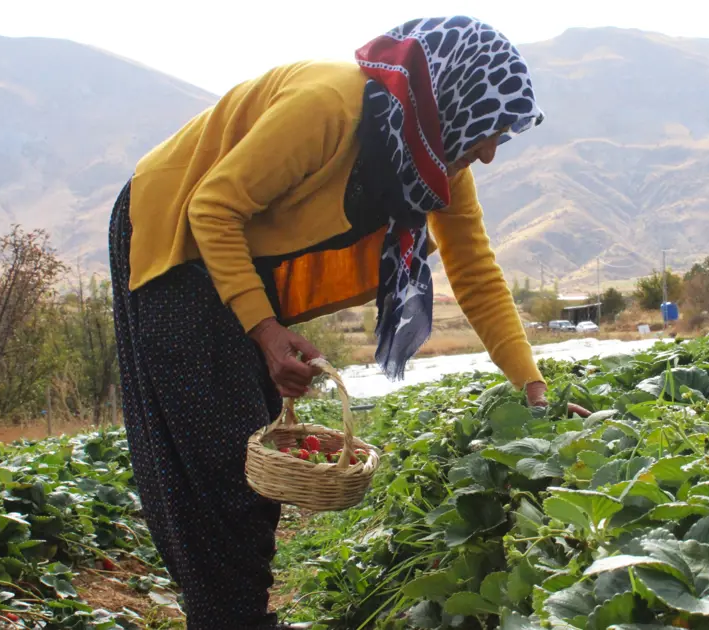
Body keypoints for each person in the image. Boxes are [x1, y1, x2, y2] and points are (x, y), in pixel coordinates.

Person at [109, 16, 548, 629]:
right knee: (216, 449)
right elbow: (213, 206)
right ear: (453, 96)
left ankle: (238, 614)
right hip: (176, 227)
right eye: (490, 128)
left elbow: (474, 269)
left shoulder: (436, 163)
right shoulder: (329, 105)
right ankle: (229, 618)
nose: (490, 151)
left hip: (240, 252)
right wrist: (265, 332)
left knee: (256, 445)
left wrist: (532, 388)